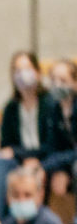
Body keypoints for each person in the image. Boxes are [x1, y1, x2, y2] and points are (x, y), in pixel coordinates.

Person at [0, 51, 60, 221]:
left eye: (27, 68)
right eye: (17, 70)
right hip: (18, 161)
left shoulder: (51, 103)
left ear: (37, 72)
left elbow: (53, 144)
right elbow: (5, 145)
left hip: (46, 159)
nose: (22, 74)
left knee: (30, 171)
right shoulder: (11, 108)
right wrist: (19, 155)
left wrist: (23, 155)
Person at [42, 59, 77, 197]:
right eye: (53, 80)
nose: (57, 85)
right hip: (67, 160)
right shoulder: (53, 109)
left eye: (63, 80)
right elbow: (52, 147)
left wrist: (53, 163)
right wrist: (59, 169)